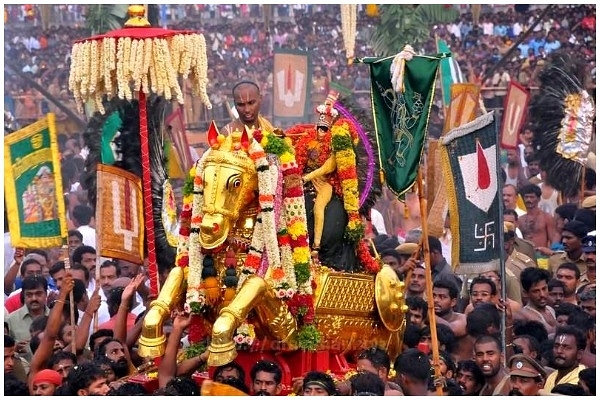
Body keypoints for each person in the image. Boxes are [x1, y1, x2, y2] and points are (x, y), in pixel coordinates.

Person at [543, 326, 587, 391]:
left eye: (566, 347)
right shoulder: (552, 377)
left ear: (579, 354)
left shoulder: (582, 381)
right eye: (556, 346)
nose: (559, 351)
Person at [515, 267, 556, 334]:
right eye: (536, 291)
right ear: (526, 293)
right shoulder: (523, 315)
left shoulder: (551, 310)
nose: (542, 294)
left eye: (544, 289)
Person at [518, 184, 556, 249]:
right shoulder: (520, 219)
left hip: (542, 255)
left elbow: (553, 240)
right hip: (526, 255)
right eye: (526, 197)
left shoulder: (546, 217)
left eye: (532, 197)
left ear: (538, 199)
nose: (528, 200)